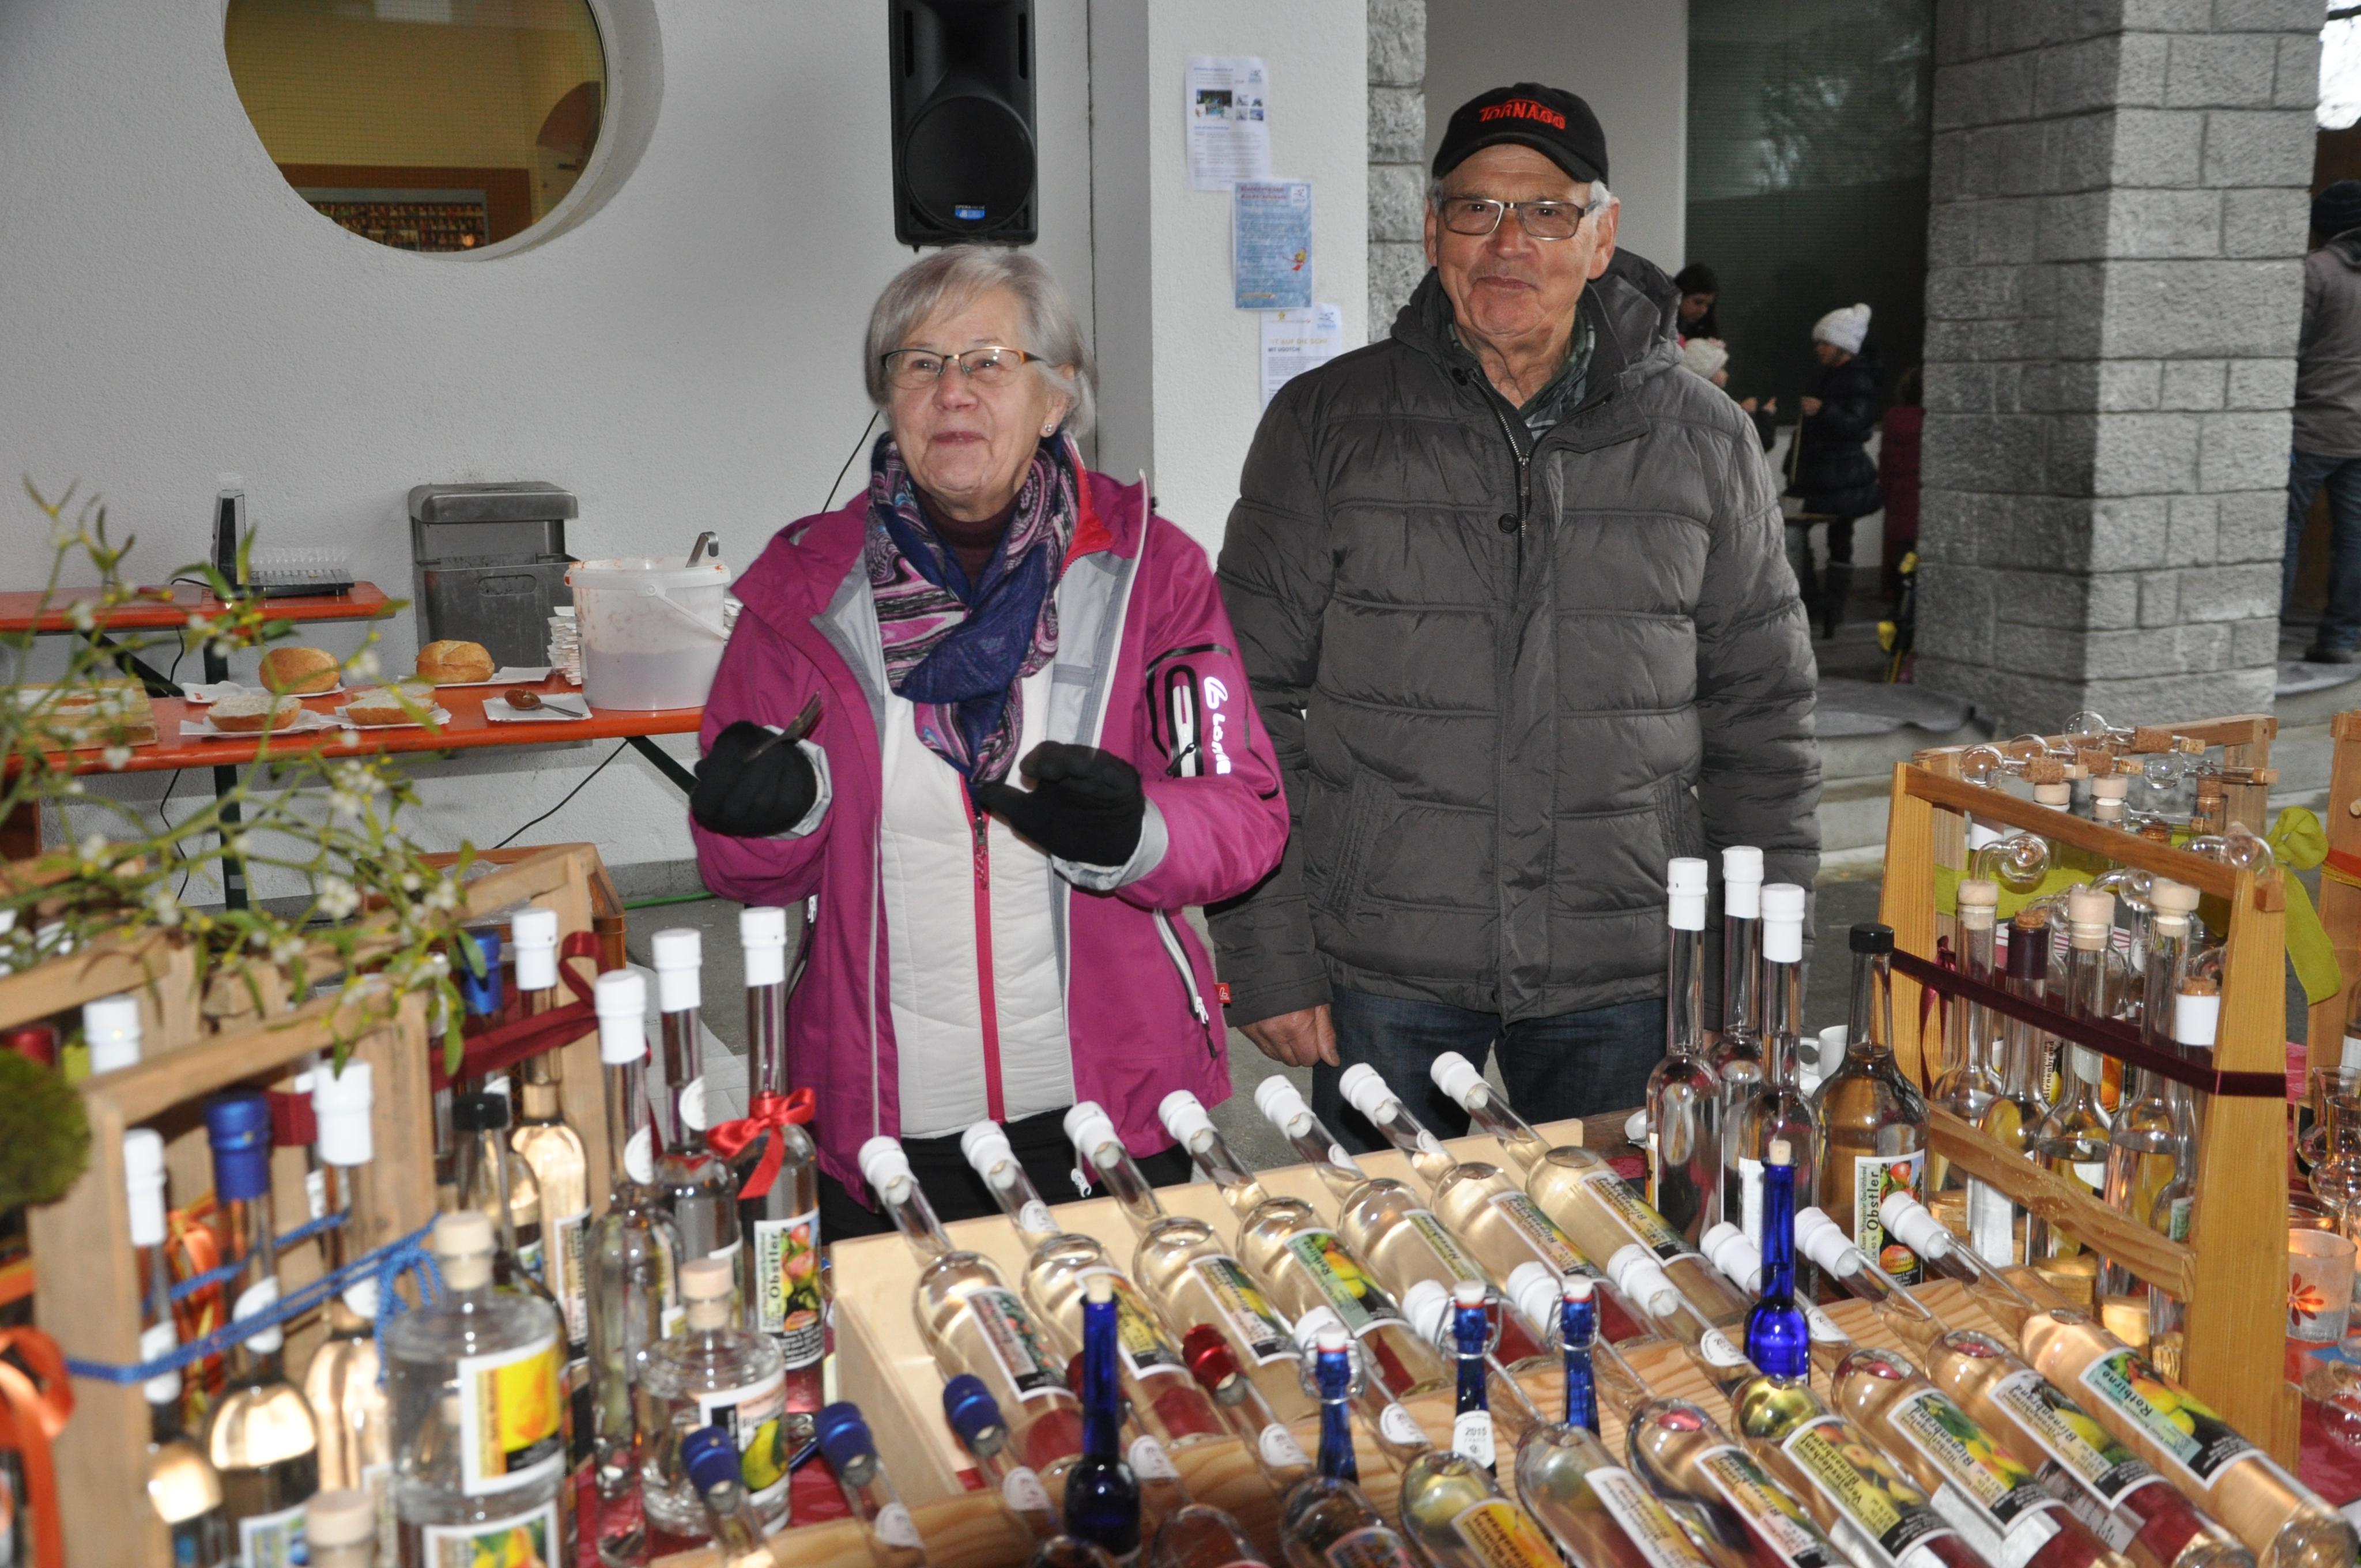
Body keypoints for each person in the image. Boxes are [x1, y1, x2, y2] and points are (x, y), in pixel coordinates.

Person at [1211, 81, 1821, 1149]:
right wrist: (1269, 954)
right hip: (1385, 960)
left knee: (1618, 1246)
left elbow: (1762, 715)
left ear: (1601, 238)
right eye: (1476, 208)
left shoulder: (1705, 439)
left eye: (1545, 211)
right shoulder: (1326, 423)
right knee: (1393, 1247)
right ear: (1432, 231)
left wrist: (1756, 972)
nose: (1508, 243)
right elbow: (1240, 701)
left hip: (1628, 964)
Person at [688, 247, 1288, 1234]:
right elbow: (741, 869)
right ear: (889, 396)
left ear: (1057, 397)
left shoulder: (1152, 572)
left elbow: (1245, 813)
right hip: (883, 1118)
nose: (951, 391)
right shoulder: (803, 587)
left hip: (1111, 1105)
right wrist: (771, 816)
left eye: (988, 361)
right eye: (919, 363)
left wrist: (1139, 832)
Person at [2286, 180, 2361, 663]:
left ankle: (2258, 637)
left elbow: (2288, 346)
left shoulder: (2316, 271)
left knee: (2281, 534)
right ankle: (2339, 640)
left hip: (2310, 428)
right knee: (2355, 538)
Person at [1785, 303, 1884, 639]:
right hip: (1819, 472)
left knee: (1839, 537)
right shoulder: (1826, 375)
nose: (1819, 349)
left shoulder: (1859, 379)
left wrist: (1824, 411)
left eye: (1825, 343)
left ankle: (1831, 609)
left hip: (1841, 475)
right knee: (1799, 531)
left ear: (1842, 346)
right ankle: (1814, 602)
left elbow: (1858, 423)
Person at [1680, 336, 1776, 451]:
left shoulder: (1693, 403)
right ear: (1708, 372)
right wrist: (1753, 415)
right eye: (1722, 368)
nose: (1727, 374)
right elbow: (1755, 444)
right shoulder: (1713, 408)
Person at [1880, 365, 1924, 608]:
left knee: (1902, 555)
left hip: (1899, 495)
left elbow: (1885, 461)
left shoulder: (1893, 418)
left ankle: (1896, 609)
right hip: (1923, 496)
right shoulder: (1930, 419)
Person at [1674, 262, 1719, 339]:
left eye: (1708, 305)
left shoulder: (1705, 326)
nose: (1703, 311)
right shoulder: (1658, 326)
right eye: (1698, 302)